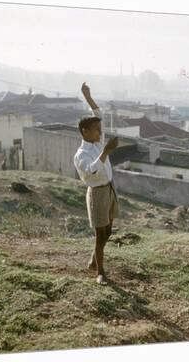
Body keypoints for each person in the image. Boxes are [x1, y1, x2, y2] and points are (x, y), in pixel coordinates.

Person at [73, 82, 120, 285]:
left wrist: (88, 97)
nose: (100, 133)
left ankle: (94, 260)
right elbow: (91, 169)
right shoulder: (81, 154)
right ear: (84, 131)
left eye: (100, 129)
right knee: (100, 234)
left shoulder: (97, 143)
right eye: (96, 130)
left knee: (108, 230)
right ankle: (100, 272)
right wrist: (106, 152)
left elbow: (97, 112)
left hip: (109, 189)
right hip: (97, 193)